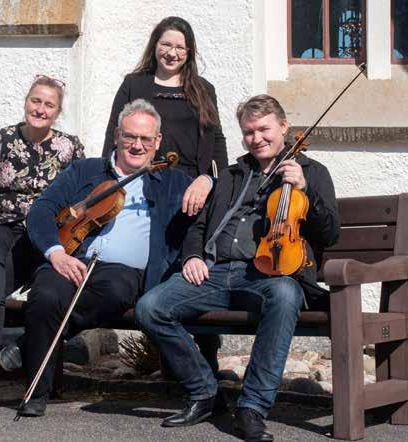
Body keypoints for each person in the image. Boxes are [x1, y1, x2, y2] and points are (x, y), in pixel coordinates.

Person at [135, 94, 339, 441]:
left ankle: (252, 408)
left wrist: (305, 189)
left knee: (285, 295)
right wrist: (194, 256)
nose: (256, 138)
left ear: (283, 126)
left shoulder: (311, 172)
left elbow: (329, 233)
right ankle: (206, 392)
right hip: (215, 272)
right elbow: (198, 226)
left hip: (267, 275)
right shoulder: (231, 175)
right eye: (248, 132)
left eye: (264, 129)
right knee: (149, 308)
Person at [17, 99, 192, 417]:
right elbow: (42, 209)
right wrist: (56, 253)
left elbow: (212, 198)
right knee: (45, 295)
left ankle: (28, 345)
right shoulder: (86, 170)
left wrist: (208, 180)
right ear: (116, 136)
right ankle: (36, 395)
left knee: (114, 291)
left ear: (158, 143)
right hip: (72, 256)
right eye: (129, 137)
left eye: (145, 139)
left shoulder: (171, 180)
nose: (136, 146)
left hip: (123, 273)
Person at [0, 74, 85, 412]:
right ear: (26, 102)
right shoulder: (1, 139)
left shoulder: (70, 147)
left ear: (58, 111)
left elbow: (81, 194)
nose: (40, 108)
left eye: (48, 104)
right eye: (35, 101)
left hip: (43, 233)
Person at [103, 15, 228, 372]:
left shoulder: (202, 88)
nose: (172, 53)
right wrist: (109, 185)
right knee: (159, 263)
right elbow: (115, 135)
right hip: (149, 184)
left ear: (189, 53)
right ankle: (171, 357)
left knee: (193, 266)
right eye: (166, 44)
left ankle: (206, 351)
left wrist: (210, 180)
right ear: (155, 45)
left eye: (180, 47)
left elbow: (217, 142)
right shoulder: (134, 83)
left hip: (192, 187)